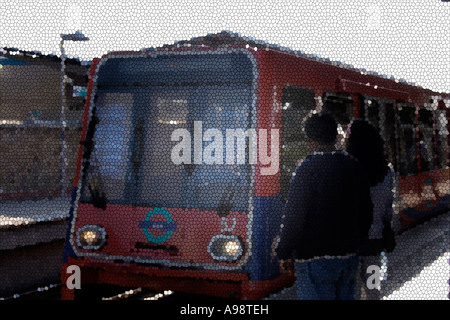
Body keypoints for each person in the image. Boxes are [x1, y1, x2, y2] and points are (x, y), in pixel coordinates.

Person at [275, 113, 373, 300]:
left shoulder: (306, 169)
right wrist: (357, 242)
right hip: (348, 255)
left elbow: (294, 217)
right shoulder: (354, 166)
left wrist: (284, 252)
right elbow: (366, 211)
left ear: (309, 140)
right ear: (335, 136)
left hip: (314, 258)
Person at [346, 120, 396, 300]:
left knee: (352, 292)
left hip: (350, 243)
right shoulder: (386, 172)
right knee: (373, 290)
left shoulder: (346, 169)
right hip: (375, 243)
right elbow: (388, 211)